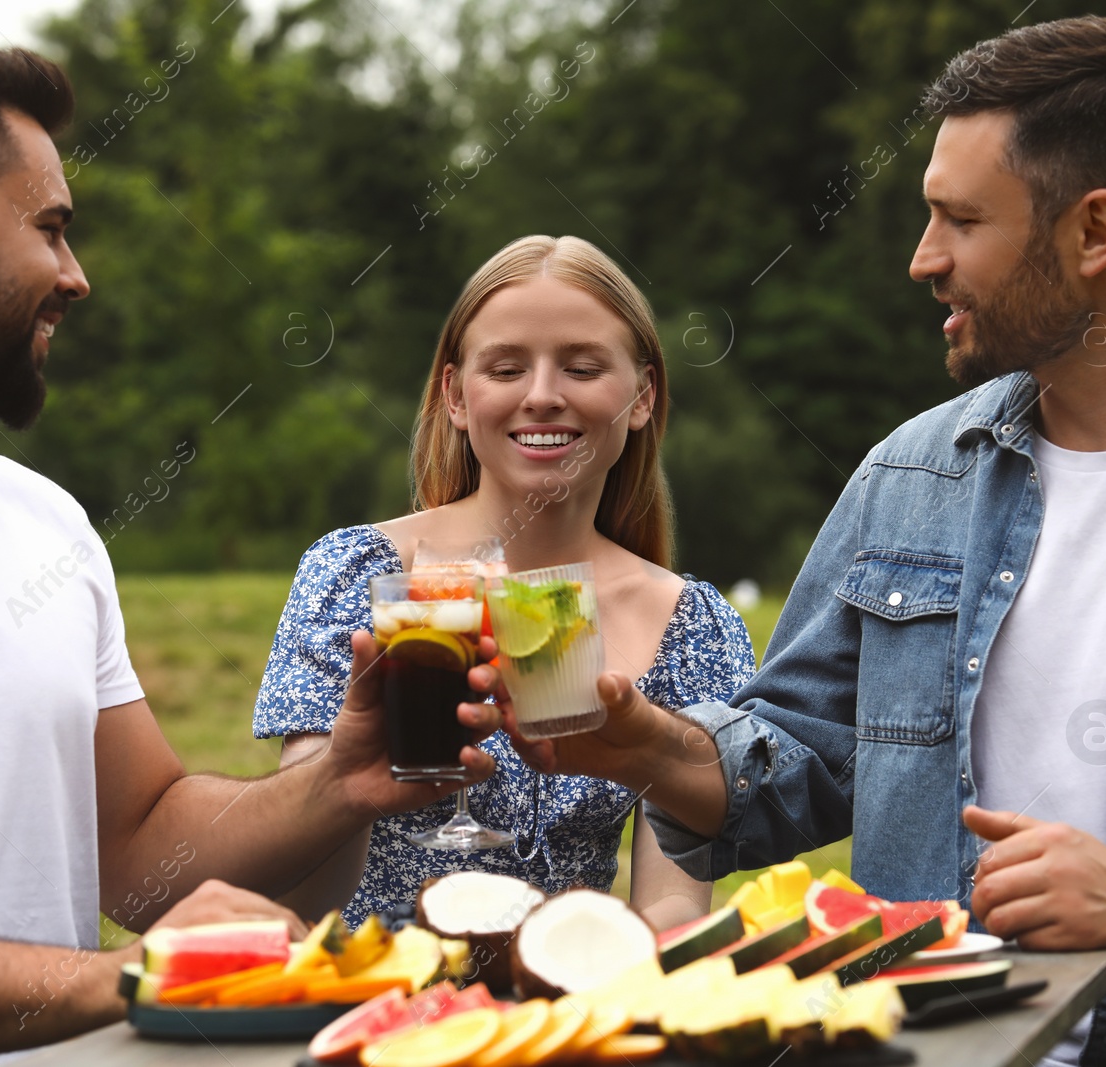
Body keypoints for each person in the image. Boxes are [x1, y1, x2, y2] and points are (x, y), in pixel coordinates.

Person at [487, 18, 1106, 1064]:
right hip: (916, 1042)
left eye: (959, 219)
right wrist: (648, 746)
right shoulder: (910, 476)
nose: (924, 259)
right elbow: (794, 765)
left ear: (1095, 233)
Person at [0, 29, 501, 1065]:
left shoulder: (46, 524)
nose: (74, 278)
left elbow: (137, 847)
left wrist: (339, 780)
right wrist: (128, 977)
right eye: (50, 227)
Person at [254, 235, 756, 932]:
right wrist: (351, 787)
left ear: (643, 397)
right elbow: (302, 900)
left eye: (581, 367)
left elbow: (670, 903)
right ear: (456, 396)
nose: (543, 395)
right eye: (506, 368)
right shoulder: (358, 575)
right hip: (379, 1012)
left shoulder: (691, 625)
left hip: (565, 1010)